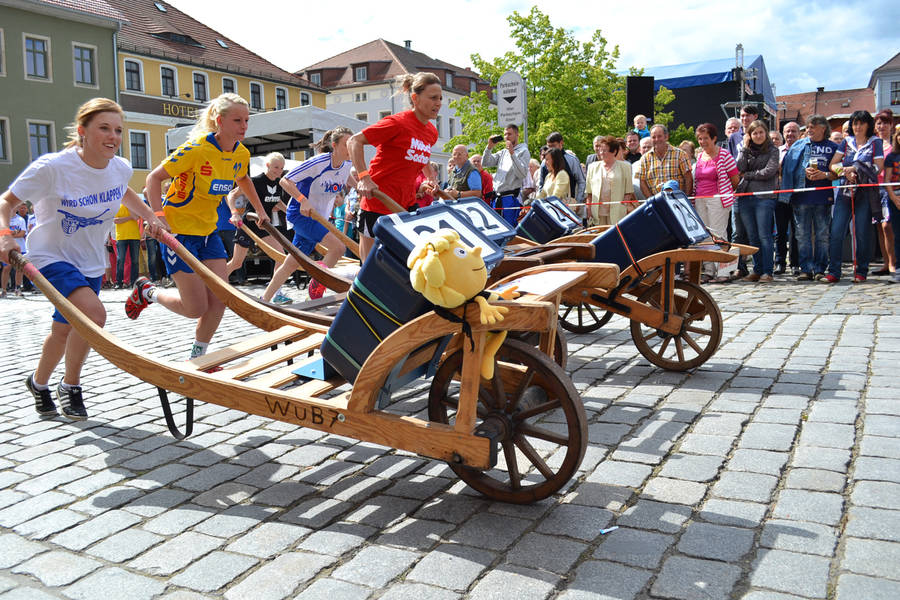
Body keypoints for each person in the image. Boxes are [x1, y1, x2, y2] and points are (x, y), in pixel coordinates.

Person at [0, 98, 163, 419]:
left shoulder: (120, 167)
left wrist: (150, 215)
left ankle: (38, 382)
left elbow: (124, 191)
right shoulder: (52, 168)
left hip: (90, 260)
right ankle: (71, 386)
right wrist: (5, 235)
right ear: (82, 132)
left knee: (64, 331)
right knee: (93, 314)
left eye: (118, 130)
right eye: (104, 128)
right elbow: (6, 202)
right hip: (51, 258)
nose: (113, 136)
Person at [127, 93, 270, 361]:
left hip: (208, 232)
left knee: (220, 299)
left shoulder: (241, 153)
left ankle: (198, 357)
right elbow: (153, 178)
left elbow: (244, 180)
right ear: (219, 121)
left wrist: (260, 211)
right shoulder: (195, 150)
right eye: (237, 120)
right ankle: (147, 291)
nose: (244, 126)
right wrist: (157, 216)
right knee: (195, 307)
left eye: (247, 120)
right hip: (178, 233)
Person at [348, 72, 441, 261]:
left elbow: (421, 154)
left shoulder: (431, 132)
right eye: (433, 98)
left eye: (440, 98)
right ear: (415, 98)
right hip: (377, 203)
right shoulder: (397, 123)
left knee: (407, 263)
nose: (438, 103)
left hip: (406, 204)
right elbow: (353, 141)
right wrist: (364, 178)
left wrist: (430, 177)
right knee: (370, 266)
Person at [262, 127, 353, 302]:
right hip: (301, 215)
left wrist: (360, 186)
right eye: (345, 145)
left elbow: (347, 176)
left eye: (351, 144)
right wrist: (302, 199)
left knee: (292, 263)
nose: (350, 149)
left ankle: (265, 298)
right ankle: (317, 287)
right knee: (338, 248)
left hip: (319, 218)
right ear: (334, 145)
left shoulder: (347, 164)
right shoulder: (318, 162)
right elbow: (284, 180)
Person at [825, 110, 884, 283]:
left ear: (868, 125)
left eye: (861, 123)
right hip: (845, 190)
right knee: (836, 230)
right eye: (855, 123)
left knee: (862, 232)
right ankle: (834, 271)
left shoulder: (875, 143)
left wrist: (856, 169)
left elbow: (878, 167)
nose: (857, 127)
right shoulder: (846, 142)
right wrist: (844, 171)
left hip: (865, 192)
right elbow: (832, 164)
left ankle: (861, 271)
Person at [782, 115, 838, 281]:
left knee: (822, 235)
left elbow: (838, 172)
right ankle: (805, 269)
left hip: (823, 197)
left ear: (823, 128)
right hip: (801, 197)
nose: (809, 130)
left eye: (813, 126)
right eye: (807, 127)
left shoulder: (833, 147)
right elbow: (786, 168)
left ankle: (820, 268)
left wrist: (825, 174)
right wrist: (802, 172)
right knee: (802, 235)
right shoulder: (798, 145)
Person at [225, 153, 289, 287]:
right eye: (276, 167)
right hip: (248, 225)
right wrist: (234, 213)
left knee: (281, 258)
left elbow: (276, 202)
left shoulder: (278, 184)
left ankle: (276, 292)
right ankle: (213, 281)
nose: (279, 171)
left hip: (264, 226)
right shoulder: (255, 181)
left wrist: (291, 213)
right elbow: (231, 195)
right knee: (237, 263)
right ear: (267, 165)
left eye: (281, 168)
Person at [693, 123, 739, 282]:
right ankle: (709, 270)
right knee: (705, 236)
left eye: (706, 138)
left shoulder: (724, 155)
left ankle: (724, 271)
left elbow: (735, 179)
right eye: (700, 139)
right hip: (700, 199)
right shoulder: (699, 156)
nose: (703, 141)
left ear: (713, 138)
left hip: (718, 199)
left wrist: (726, 193)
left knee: (719, 234)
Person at [736, 120, 780, 282]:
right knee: (752, 236)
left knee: (764, 235)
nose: (758, 136)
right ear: (750, 135)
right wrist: (745, 149)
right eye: (754, 133)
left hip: (764, 197)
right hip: (745, 197)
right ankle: (757, 269)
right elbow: (738, 167)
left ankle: (767, 271)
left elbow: (769, 171)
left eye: (761, 132)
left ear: (766, 133)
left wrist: (748, 175)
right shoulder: (746, 150)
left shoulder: (773, 150)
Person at [481, 124, 531, 227]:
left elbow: (522, 173)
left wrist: (512, 154)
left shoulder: (523, 151)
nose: (506, 137)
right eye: (505, 134)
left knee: (509, 228)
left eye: (509, 134)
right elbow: (485, 163)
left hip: (510, 198)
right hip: (497, 197)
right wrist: (489, 147)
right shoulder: (503, 152)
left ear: (517, 135)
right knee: (496, 227)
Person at [584, 136, 635, 227]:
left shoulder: (625, 167)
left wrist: (623, 207)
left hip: (617, 214)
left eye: (604, 150)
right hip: (597, 214)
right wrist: (588, 210)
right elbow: (589, 193)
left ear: (614, 151)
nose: (601, 153)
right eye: (600, 150)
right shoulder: (592, 167)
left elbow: (628, 192)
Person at [636, 124, 694, 198]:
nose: (657, 139)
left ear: (666, 137)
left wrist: (685, 197)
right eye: (653, 137)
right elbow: (642, 182)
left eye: (659, 136)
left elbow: (688, 178)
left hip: (677, 201)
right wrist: (653, 200)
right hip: (657, 203)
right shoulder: (644, 159)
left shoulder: (680, 154)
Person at [775, 121, 802, 275]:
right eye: (787, 131)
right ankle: (780, 262)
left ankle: (795, 263)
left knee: (796, 231)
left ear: (799, 134)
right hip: (780, 196)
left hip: (798, 196)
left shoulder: (803, 151)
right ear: (783, 133)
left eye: (793, 131)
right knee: (780, 231)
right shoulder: (777, 151)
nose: (790, 134)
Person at [539, 132, 586, 215]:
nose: (550, 149)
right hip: (549, 208)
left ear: (561, 143)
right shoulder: (544, 163)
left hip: (567, 207)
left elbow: (581, 181)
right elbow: (541, 186)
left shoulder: (572, 160)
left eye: (553, 146)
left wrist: (578, 202)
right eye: (548, 146)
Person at [872, 110, 896, 276]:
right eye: (879, 123)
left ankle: (894, 262)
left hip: (891, 188)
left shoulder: (895, 144)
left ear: (891, 125)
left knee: (889, 226)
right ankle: (886, 263)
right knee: (880, 227)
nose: (882, 126)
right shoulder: (873, 144)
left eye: (885, 123)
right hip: (875, 189)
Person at [0, 203, 28, 297]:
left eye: (14, 206)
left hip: (20, 246)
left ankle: (18, 288)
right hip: (7, 247)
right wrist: (12, 233)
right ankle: (4, 290)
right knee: (6, 268)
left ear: (17, 208)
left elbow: (22, 233)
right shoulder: (4, 220)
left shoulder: (20, 220)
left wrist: (8, 234)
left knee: (19, 269)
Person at [884, 124, 900, 283]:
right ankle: (898, 268)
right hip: (895, 198)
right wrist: (894, 198)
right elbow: (887, 180)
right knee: (897, 235)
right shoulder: (892, 157)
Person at [113, 202, 141, 289]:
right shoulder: (116, 205)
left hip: (134, 236)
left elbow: (136, 217)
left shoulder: (134, 205)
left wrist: (129, 206)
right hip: (121, 237)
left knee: (135, 261)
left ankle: (134, 282)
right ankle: (119, 282)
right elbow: (116, 220)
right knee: (120, 260)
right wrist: (129, 217)